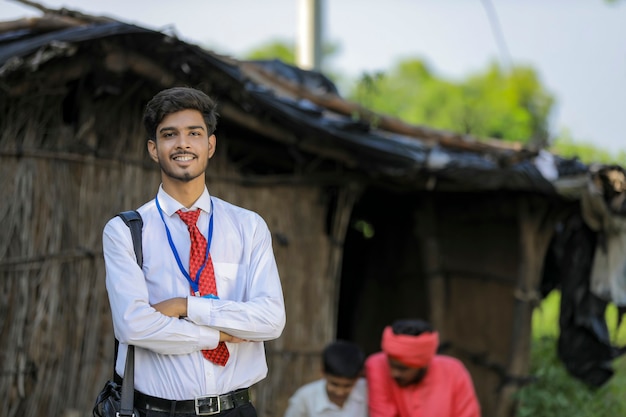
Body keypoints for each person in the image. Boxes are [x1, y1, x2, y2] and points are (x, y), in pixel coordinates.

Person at [102, 86, 286, 417]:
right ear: (153, 149)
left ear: (210, 145)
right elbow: (132, 326)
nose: (182, 143)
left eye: (194, 133)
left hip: (235, 409)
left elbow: (271, 320)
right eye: (169, 135)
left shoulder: (249, 226)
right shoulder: (126, 231)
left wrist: (184, 306)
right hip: (156, 412)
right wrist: (218, 332)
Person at [365, 319, 480, 417]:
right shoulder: (377, 366)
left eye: (403, 369)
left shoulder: (453, 370)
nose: (393, 373)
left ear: (423, 364)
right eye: (390, 364)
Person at [283, 340, 368, 417]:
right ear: (323, 373)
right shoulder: (304, 398)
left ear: (358, 377)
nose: (340, 392)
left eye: (347, 386)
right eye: (334, 384)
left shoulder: (367, 391)